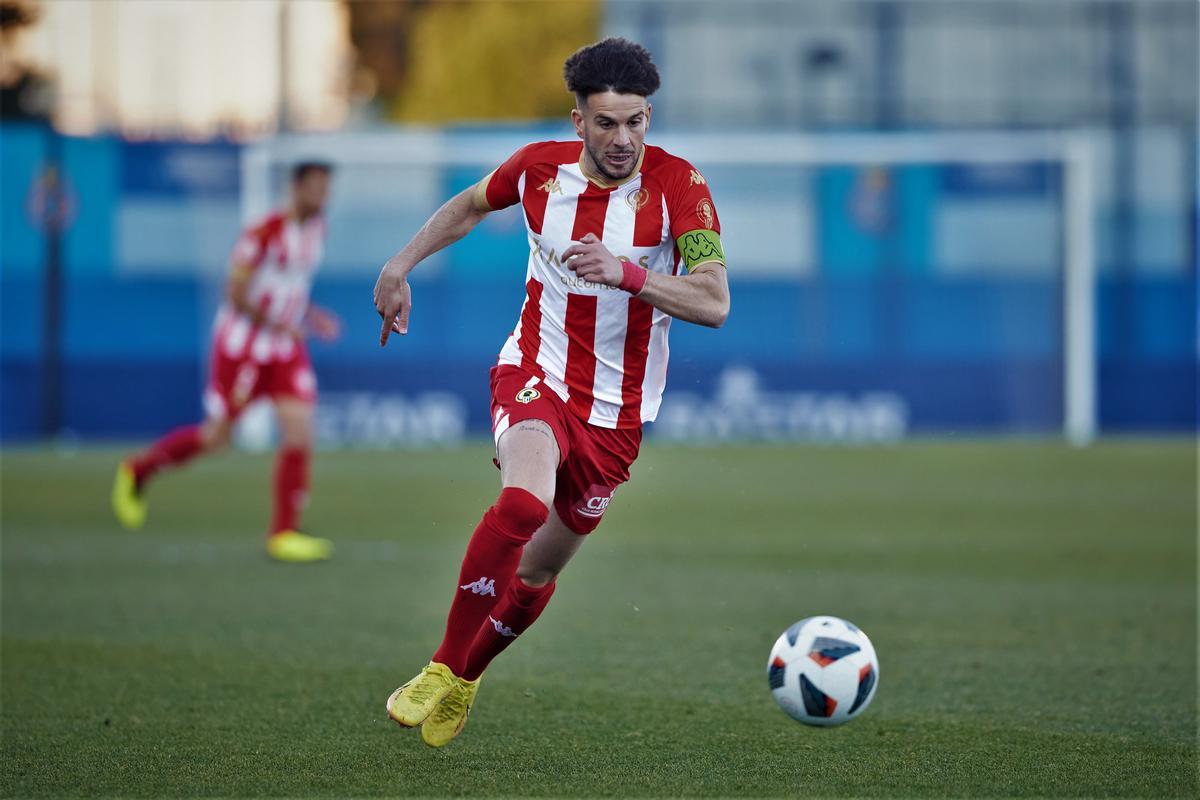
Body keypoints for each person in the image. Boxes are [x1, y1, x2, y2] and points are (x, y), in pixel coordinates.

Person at [373, 38, 729, 747]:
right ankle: (443, 666)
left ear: (648, 116)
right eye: (606, 123)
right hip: (536, 371)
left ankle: (467, 676)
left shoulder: (680, 187)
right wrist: (400, 263)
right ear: (578, 123)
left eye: (635, 122)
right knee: (522, 501)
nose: (623, 138)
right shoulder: (538, 170)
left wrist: (626, 273)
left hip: (618, 417)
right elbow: (470, 205)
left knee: (534, 574)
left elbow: (714, 301)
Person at [112, 162, 341, 563]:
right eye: (317, 187)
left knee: (300, 428)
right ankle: (138, 470)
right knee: (216, 437)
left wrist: (311, 315)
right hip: (243, 349)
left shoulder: (317, 230)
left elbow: (291, 287)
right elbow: (234, 293)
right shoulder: (262, 234)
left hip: (285, 349)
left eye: (328, 188)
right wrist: (280, 324)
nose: (324, 196)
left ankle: (283, 532)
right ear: (296, 187)